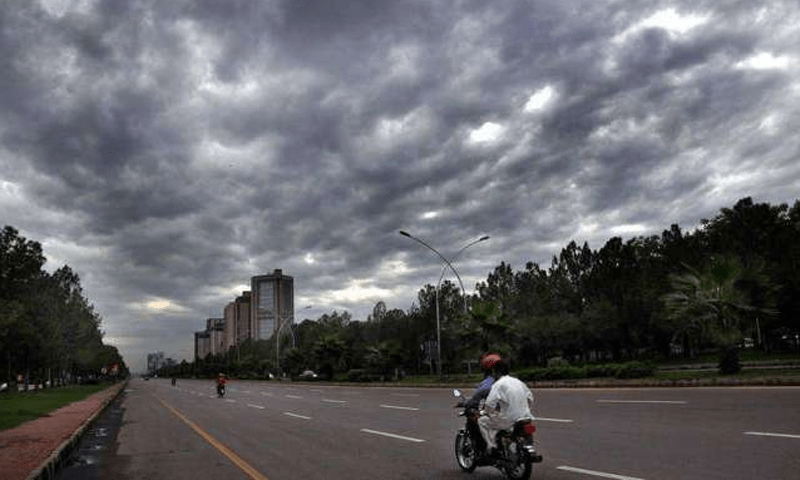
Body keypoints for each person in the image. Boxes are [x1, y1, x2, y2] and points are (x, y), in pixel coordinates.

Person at [477, 357, 535, 456]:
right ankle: (528, 446)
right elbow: (530, 398)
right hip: (525, 417)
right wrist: (526, 409)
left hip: (508, 420)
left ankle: (492, 446)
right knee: (529, 429)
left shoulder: (498, 384)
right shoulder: (518, 382)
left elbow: (490, 403)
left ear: (496, 372)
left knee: (481, 421)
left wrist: (487, 412)